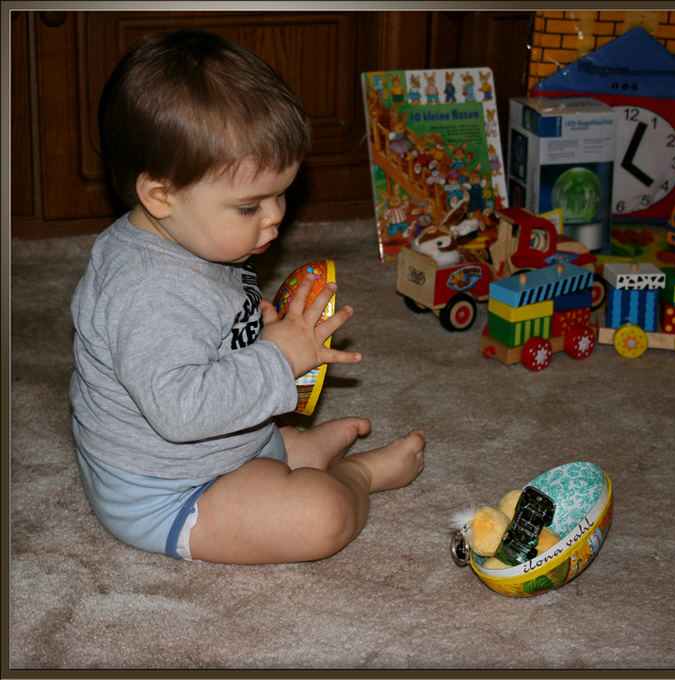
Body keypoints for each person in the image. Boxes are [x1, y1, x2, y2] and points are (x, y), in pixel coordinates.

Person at [69, 29, 425, 564]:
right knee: (319, 518)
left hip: (225, 446)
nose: (277, 215)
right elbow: (181, 412)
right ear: (160, 195)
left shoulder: (200, 235)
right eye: (249, 205)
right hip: (166, 490)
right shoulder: (146, 290)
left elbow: (210, 324)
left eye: (281, 193)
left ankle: (289, 453)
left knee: (275, 444)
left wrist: (258, 327)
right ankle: (357, 474)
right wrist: (279, 355)